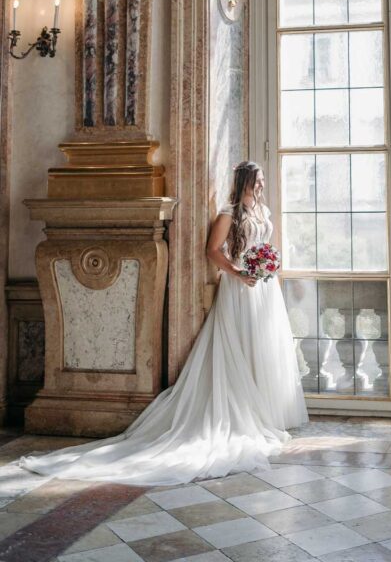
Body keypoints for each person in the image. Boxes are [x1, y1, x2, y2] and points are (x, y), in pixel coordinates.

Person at [20, 161, 308, 485]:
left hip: (263, 288)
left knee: (263, 345)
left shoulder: (262, 212)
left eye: (263, 180)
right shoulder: (229, 214)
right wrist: (239, 272)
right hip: (239, 287)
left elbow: (265, 247)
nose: (261, 185)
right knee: (239, 344)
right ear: (243, 181)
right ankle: (242, 412)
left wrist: (268, 266)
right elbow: (213, 250)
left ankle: (264, 410)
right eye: (257, 180)